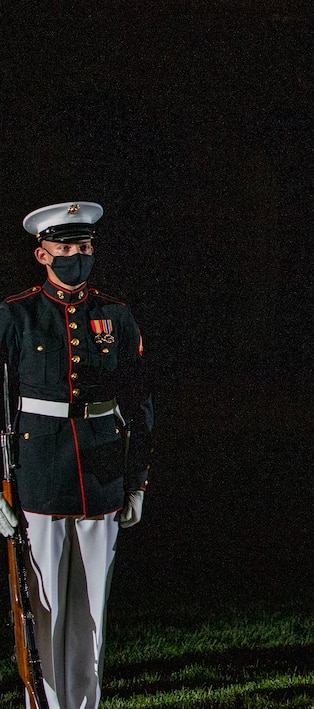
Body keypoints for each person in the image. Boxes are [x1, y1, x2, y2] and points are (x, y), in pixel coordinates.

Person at [0, 201, 153, 709]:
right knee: (44, 609)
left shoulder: (115, 314)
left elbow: (137, 400)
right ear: (42, 253)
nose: (76, 257)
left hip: (103, 470)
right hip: (40, 473)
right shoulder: (16, 314)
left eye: (83, 247)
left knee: (92, 610)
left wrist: (137, 480)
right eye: (65, 248)